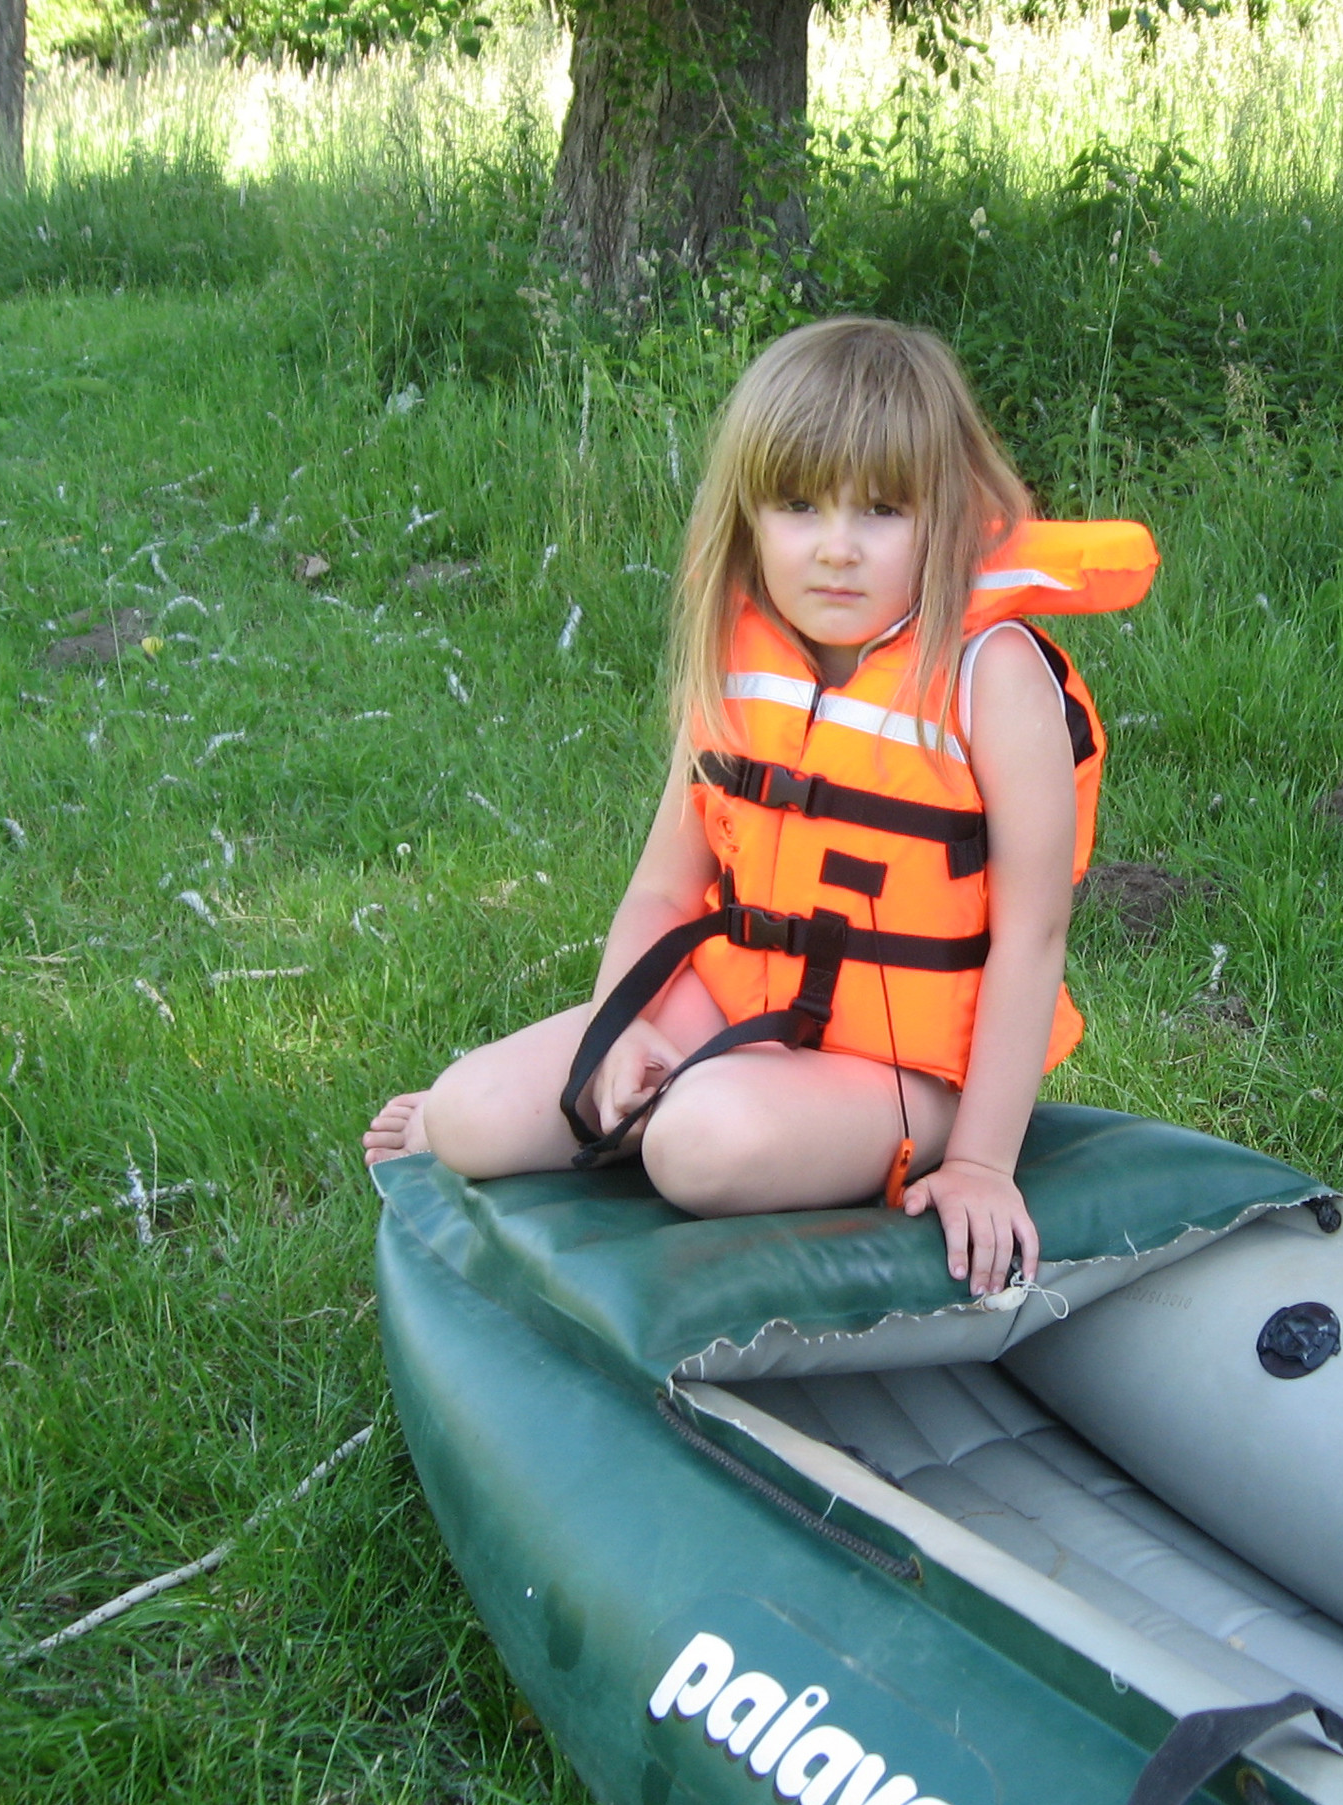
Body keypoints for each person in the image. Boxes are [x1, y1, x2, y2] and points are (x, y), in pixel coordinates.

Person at [362, 318, 1154, 1297]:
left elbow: (1033, 936)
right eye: (798, 505)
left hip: (907, 1063)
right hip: (740, 998)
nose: (836, 549)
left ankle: (712, 1113)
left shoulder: (991, 675)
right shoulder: (740, 659)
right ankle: (667, 1095)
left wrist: (984, 1161)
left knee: (698, 1142)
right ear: (749, 516)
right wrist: (621, 1028)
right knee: (468, 1115)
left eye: (882, 510)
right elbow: (662, 892)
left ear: (948, 516)